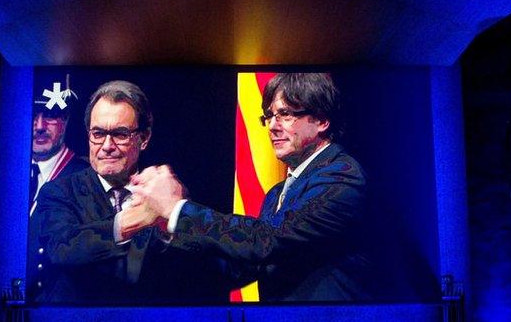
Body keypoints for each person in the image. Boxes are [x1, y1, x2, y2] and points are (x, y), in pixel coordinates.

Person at [128, 73, 372, 301]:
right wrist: (167, 223)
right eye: (269, 116)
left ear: (321, 120)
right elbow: (238, 268)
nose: (272, 127)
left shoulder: (342, 176)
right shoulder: (276, 194)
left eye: (285, 114)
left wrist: (179, 209)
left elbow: (266, 241)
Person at [34, 80, 204, 303]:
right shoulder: (58, 193)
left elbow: (189, 269)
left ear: (144, 138)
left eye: (120, 134)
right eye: (98, 133)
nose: (106, 146)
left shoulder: (163, 192)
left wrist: (168, 229)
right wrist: (131, 222)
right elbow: (63, 248)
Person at [27, 78, 89, 301]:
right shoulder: (13, 175)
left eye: (51, 116)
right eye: (34, 115)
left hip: (60, 310)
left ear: (65, 120)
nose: (40, 125)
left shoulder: (85, 177)